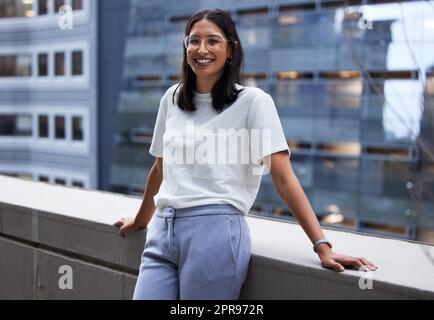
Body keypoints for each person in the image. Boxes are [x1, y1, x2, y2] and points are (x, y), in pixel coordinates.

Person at [114, 8, 377, 300]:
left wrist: (322, 246)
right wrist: (141, 220)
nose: (201, 49)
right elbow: (161, 168)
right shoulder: (172, 99)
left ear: (230, 50)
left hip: (214, 235)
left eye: (213, 41)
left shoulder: (254, 102)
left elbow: (283, 178)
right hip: (162, 232)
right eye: (193, 41)